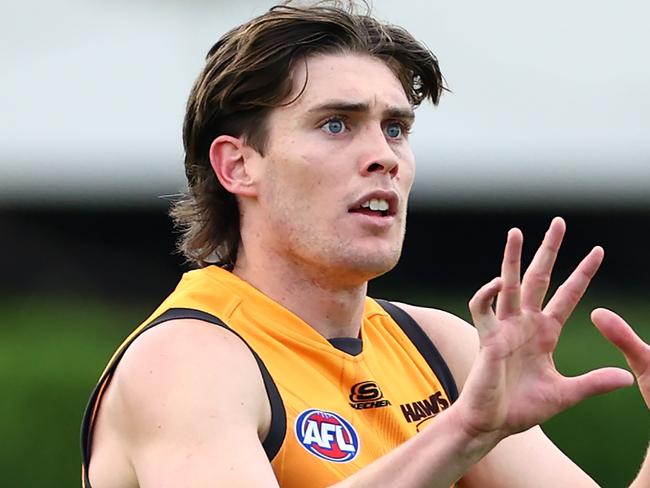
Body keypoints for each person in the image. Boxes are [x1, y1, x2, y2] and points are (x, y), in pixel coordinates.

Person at [80, 2, 650, 487]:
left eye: (396, 128)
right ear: (238, 166)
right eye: (337, 124)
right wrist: (463, 433)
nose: (384, 155)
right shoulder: (187, 357)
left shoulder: (439, 346)